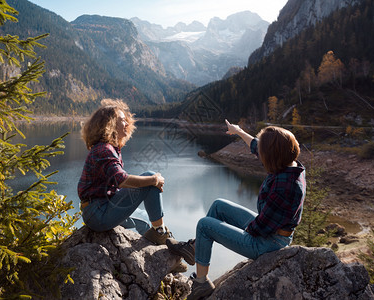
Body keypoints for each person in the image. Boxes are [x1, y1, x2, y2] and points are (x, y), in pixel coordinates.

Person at [166, 119, 306, 300]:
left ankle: (201, 282)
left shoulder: (286, 186)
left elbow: (260, 227)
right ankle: (195, 248)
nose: (259, 155)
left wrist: (238, 232)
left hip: (269, 242)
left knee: (205, 225)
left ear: (272, 155)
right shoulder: (289, 164)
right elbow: (257, 146)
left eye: (263, 153)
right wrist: (238, 131)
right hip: (270, 228)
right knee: (218, 206)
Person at [78, 98, 172, 245]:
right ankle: (161, 234)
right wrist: (154, 180)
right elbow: (122, 181)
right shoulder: (104, 150)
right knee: (149, 177)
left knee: (146, 221)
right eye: (122, 120)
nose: (127, 123)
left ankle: (164, 242)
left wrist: (152, 181)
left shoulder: (111, 148)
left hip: (103, 206)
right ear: (110, 124)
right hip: (97, 213)